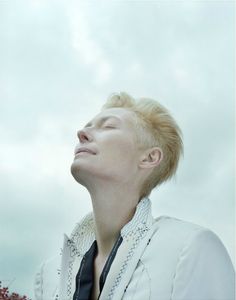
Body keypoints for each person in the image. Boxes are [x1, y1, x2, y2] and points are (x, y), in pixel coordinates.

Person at [34, 92, 235, 300]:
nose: (81, 133)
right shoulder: (49, 275)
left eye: (108, 126)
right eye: (88, 125)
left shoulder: (190, 248)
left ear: (149, 157)